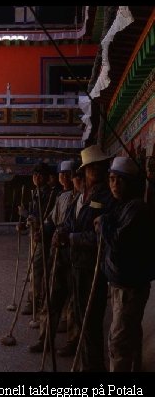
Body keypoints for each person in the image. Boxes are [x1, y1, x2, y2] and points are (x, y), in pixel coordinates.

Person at [56, 145, 114, 372]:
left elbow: (99, 236)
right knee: (81, 317)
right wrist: (62, 232)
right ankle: (86, 363)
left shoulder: (107, 196)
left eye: (98, 167)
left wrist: (71, 237)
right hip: (77, 263)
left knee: (91, 321)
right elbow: (73, 222)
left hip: (94, 267)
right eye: (91, 168)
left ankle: (94, 367)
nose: (95, 171)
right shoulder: (82, 196)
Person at [96, 156, 155, 371]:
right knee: (129, 334)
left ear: (130, 182)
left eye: (120, 180)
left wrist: (103, 224)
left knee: (118, 342)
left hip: (131, 286)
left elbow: (119, 242)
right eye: (111, 179)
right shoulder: (121, 206)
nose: (114, 185)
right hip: (121, 284)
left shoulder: (137, 208)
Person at [29, 160, 76, 353]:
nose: (64, 177)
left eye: (69, 174)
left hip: (74, 253)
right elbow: (51, 220)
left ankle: (73, 341)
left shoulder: (83, 198)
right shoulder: (61, 197)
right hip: (57, 250)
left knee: (74, 300)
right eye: (61, 174)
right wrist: (44, 230)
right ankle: (45, 337)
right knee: (51, 295)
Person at [17, 162, 56, 318]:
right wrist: (24, 224)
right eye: (34, 174)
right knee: (34, 268)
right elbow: (33, 215)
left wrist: (26, 214)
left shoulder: (50, 195)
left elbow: (45, 217)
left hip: (44, 235)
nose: (36, 177)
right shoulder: (36, 193)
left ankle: (37, 302)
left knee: (39, 268)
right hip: (34, 234)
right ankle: (33, 300)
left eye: (40, 175)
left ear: (46, 178)